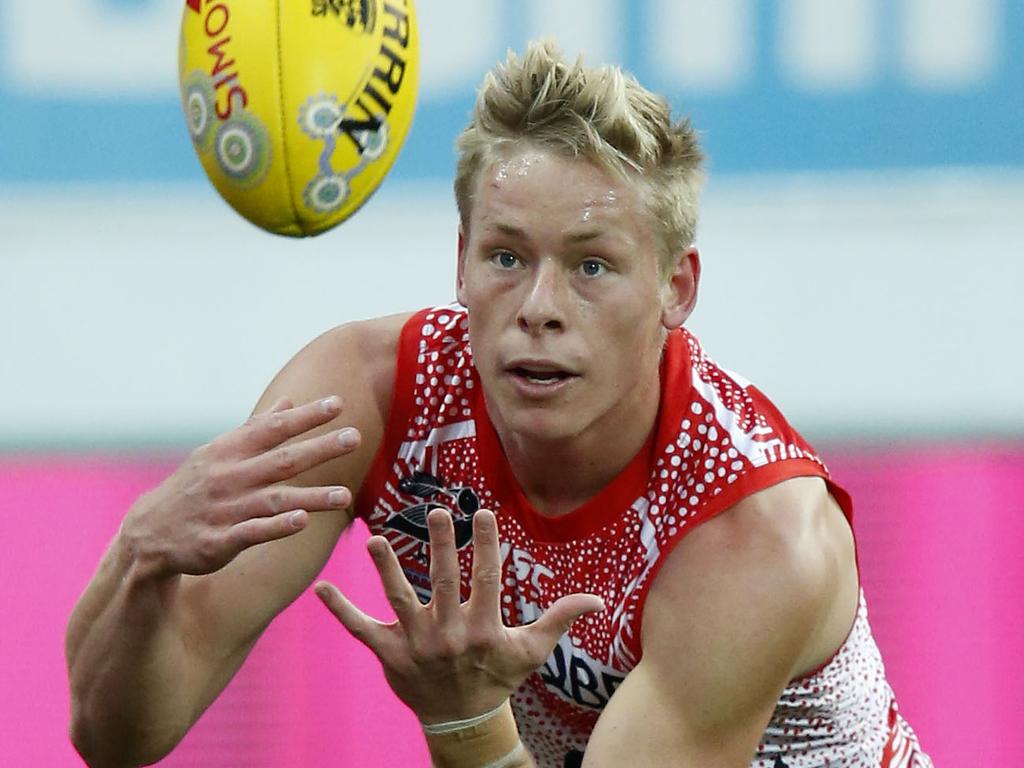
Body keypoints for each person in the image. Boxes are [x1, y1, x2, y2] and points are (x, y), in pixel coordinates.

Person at [66, 41, 932, 768]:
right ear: (460, 263)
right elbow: (115, 739)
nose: (539, 306)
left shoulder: (750, 531)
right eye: (507, 257)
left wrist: (463, 720)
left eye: (591, 265)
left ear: (677, 288)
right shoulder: (370, 394)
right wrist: (143, 559)